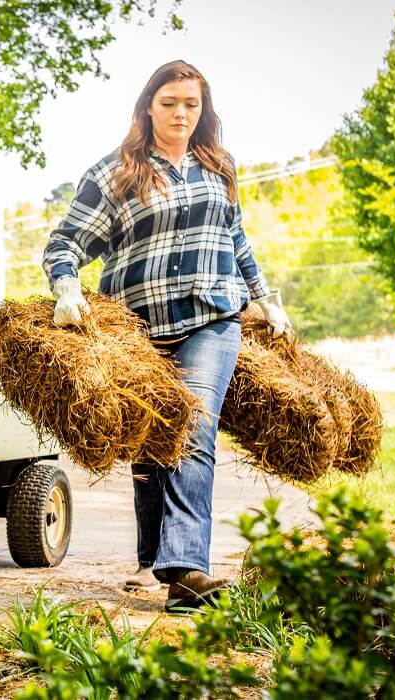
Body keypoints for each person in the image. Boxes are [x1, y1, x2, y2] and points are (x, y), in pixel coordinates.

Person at [41, 60, 293, 612]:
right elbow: (64, 243)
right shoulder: (115, 173)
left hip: (212, 318)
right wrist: (66, 288)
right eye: (169, 103)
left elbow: (236, 241)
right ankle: (152, 558)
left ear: (204, 111)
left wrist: (265, 299)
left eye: (191, 104)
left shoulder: (219, 168)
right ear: (148, 107)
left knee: (192, 430)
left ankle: (185, 571)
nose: (181, 113)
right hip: (137, 328)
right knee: (151, 443)